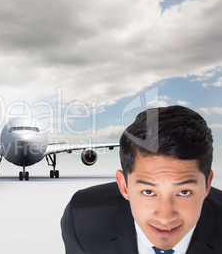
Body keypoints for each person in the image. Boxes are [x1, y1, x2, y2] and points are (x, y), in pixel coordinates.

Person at [61, 105, 222, 254]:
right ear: (124, 186)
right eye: (148, 191)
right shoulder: (83, 220)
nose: (165, 218)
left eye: (184, 192)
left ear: (207, 185)